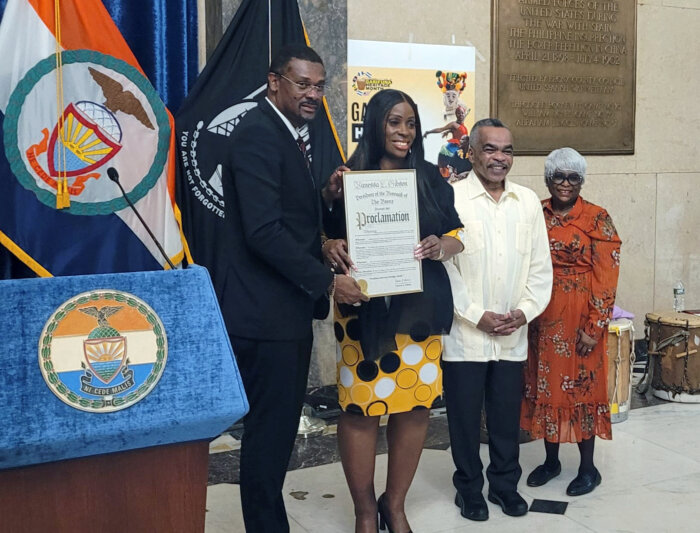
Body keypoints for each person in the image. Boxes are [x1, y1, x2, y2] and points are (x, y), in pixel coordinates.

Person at [221, 44, 366, 533]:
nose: (312, 94)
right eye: (302, 83)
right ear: (274, 81)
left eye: (319, 85)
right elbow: (263, 233)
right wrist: (328, 281)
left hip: (280, 312)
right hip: (265, 317)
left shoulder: (288, 133)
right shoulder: (259, 135)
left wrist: (324, 201)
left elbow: (286, 218)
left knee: (275, 434)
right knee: (269, 434)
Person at [322, 89, 463, 533]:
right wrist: (329, 220)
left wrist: (442, 246)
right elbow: (319, 236)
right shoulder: (348, 176)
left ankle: (394, 504)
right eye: (394, 122)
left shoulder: (429, 177)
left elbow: (458, 236)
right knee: (362, 409)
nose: (404, 132)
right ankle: (365, 510)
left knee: (415, 407)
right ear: (376, 123)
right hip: (363, 310)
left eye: (410, 123)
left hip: (418, 312)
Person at [442, 118, 552, 521]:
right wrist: (475, 316)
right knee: (465, 419)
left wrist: (523, 312)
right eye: (490, 149)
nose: (499, 158)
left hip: (511, 332)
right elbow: (445, 269)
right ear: (471, 153)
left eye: (506, 150)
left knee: (506, 418)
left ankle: (505, 486)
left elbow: (541, 268)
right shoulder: (450, 199)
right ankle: (469, 489)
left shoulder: (526, 203)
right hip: (465, 335)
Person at [521, 147, 621, 496]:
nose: (565, 184)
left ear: (582, 181)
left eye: (573, 177)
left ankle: (589, 469)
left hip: (581, 317)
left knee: (582, 389)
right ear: (548, 178)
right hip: (542, 316)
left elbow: (607, 276)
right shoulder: (536, 212)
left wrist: (595, 327)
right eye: (558, 176)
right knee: (545, 385)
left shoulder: (597, 218)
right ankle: (551, 461)